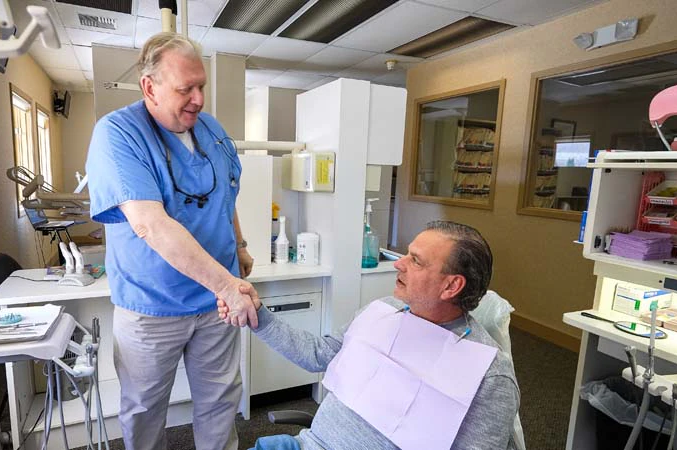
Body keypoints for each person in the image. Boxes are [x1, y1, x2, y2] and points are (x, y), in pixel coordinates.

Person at [85, 32, 259, 450]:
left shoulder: (209, 128)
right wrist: (227, 285)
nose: (199, 99)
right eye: (186, 89)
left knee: (220, 402)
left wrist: (238, 245)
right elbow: (150, 225)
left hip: (216, 305)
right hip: (153, 305)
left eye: (201, 86)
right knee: (145, 410)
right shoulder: (118, 135)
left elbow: (224, 191)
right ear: (150, 87)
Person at [220, 221, 520, 450]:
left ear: (451, 286)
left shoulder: (489, 375)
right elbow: (317, 354)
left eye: (415, 260)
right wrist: (257, 315)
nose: (399, 263)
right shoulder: (384, 312)